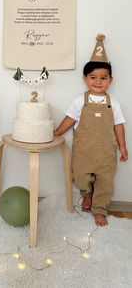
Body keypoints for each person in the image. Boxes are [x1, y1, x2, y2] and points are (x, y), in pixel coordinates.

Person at [54, 34, 128, 226]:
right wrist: (56, 132)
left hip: (106, 154)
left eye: (103, 78)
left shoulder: (114, 103)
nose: (98, 82)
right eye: (93, 77)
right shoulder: (80, 101)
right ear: (85, 78)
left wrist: (123, 146)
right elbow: (69, 119)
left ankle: (100, 210)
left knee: (105, 182)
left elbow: (118, 125)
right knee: (80, 177)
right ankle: (87, 194)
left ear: (110, 80)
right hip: (83, 153)